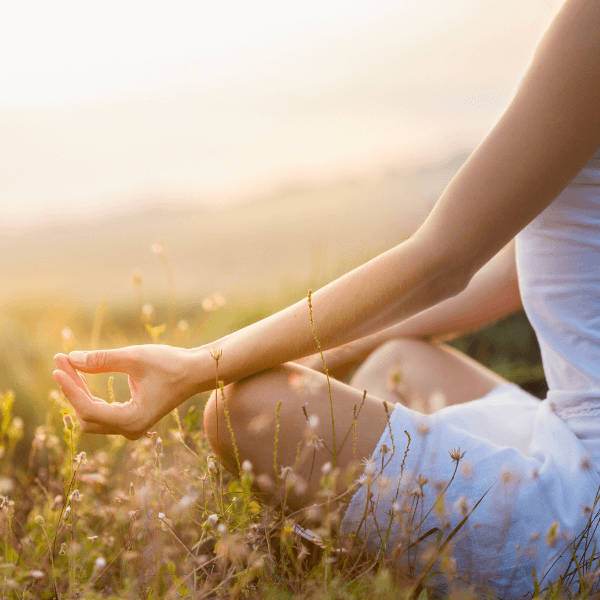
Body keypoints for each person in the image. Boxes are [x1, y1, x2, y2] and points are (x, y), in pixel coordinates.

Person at [53, 0, 600, 596]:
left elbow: (441, 261)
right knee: (399, 363)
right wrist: (310, 361)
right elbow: (511, 279)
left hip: (583, 510)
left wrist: (196, 368)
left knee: (248, 411)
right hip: (568, 437)